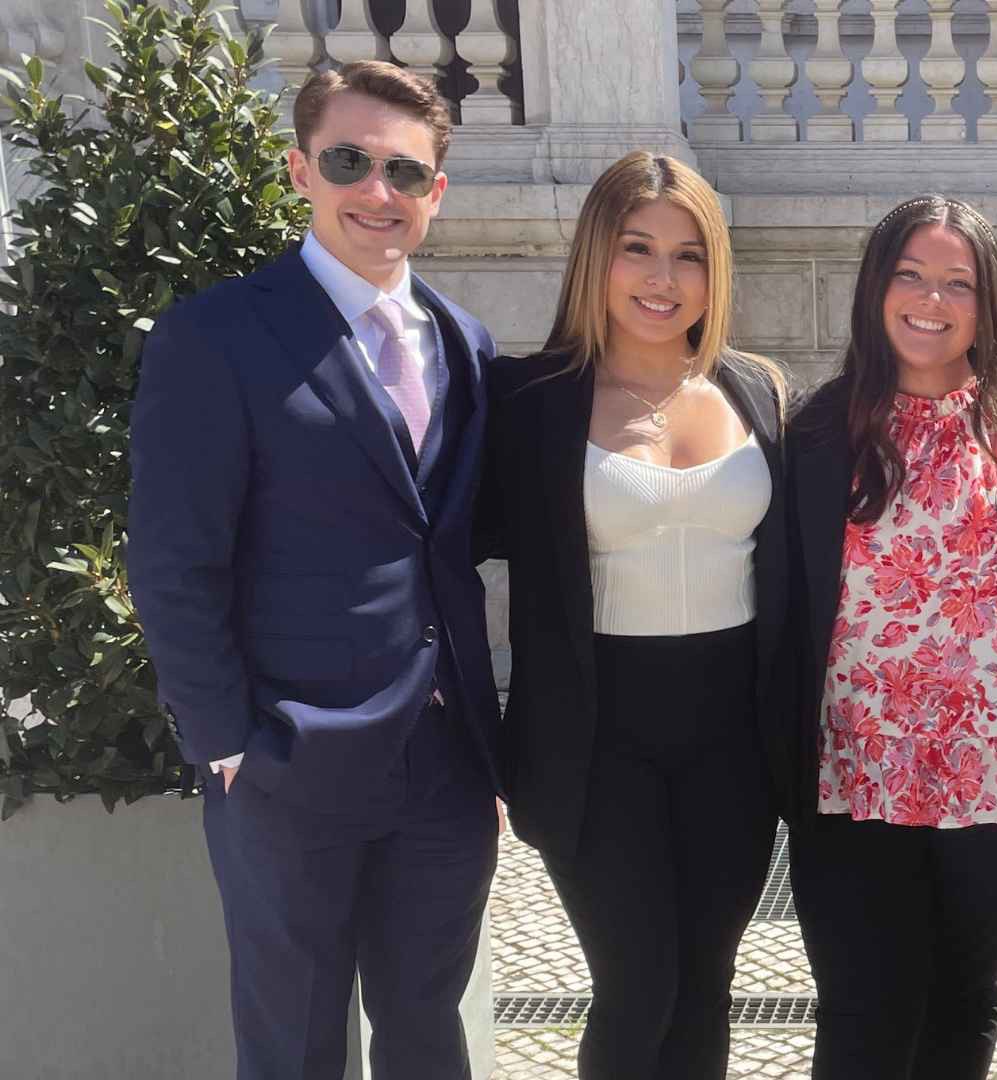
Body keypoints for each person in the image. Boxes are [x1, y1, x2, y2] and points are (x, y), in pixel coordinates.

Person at [127, 61, 501, 1078]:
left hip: (444, 768)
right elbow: (171, 560)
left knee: (428, 1032)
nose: (379, 192)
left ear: (437, 193)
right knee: (292, 1046)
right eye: (350, 161)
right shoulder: (216, 334)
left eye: (406, 173)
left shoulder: (465, 346)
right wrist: (226, 744)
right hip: (286, 763)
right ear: (300, 169)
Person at [475, 151, 789, 1079]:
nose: (663, 278)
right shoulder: (527, 404)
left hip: (733, 742)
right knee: (637, 982)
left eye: (689, 255)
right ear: (595, 258)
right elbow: (434, 549)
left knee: (705, 984)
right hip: (593, 744)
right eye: (638, 248)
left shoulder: (757, 391)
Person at [785, 194, 997, 1080]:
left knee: (965, 1005)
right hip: (851, 776)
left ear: (988, 305)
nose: (931, 299)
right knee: (861, 1011)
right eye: (910, 274)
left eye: (959, 282)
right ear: (876, 288)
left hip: (995, 777)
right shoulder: (811, 434)